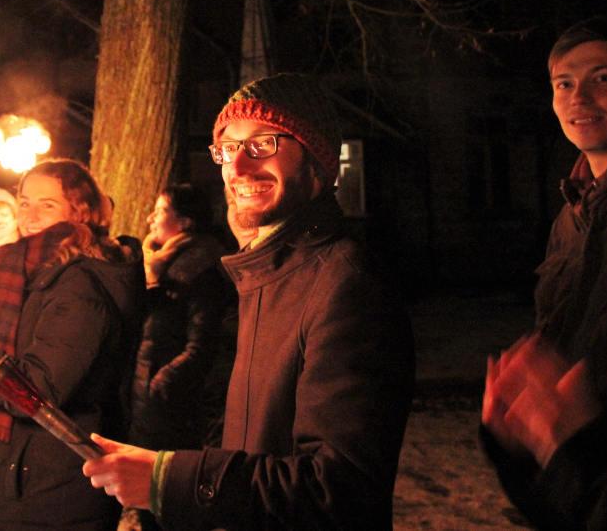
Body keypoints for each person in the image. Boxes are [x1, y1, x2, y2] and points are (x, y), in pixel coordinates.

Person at [82, 73, 415, 530]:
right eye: (226, 149)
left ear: (316, 161)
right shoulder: (267, 275)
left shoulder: (345, 283)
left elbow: (339, 487)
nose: (237, 168)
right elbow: (255, 443)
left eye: (262, 145)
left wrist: (168, 480)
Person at [481, 17, 607, 529]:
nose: (579, 97)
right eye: (564, 84)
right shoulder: (572, 213)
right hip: (573, 483)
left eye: (603, 78)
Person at [0, 158, 143, 531]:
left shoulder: (79, 285)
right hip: (19, 473)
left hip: (54, 487)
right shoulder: (31, 274)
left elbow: (37, 390)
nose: (29, 215)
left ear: (82, 211)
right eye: (24, 202)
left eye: (47, 205)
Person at [125, 185, 231, 531]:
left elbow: (203, 341)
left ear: (184, 222)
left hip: (175, 400)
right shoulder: (157, 263)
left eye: (160, 211)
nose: (150, 218)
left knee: (170, 493)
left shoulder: (200, 269)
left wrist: (165, 379)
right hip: (148, 391)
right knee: (146, 489)